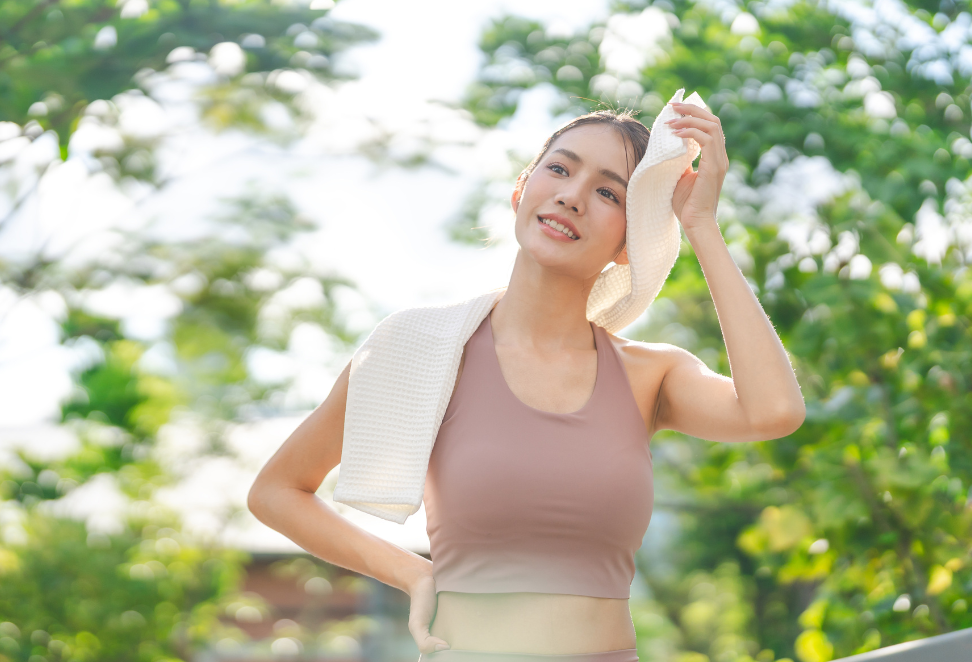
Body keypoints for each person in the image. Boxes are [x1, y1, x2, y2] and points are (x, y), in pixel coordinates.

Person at [247, 101, 806, 660]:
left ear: (629, 244)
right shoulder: (426, 349)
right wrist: (413, 573)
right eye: (560, 170)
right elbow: (276, 491)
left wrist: (701, 225)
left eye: (609, 192)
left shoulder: (648, 373)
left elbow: (774, 411)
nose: (572, 196)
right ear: (522, 190)